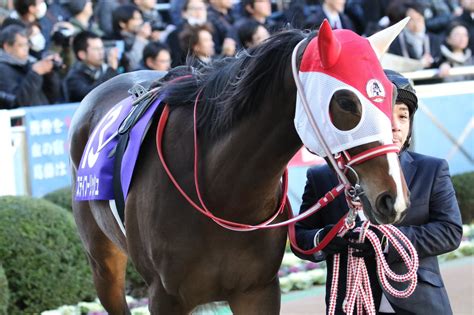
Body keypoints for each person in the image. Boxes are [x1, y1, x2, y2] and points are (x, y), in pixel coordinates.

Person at [292, 70, 463, 314]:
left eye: (403, 117)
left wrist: (387, 242)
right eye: (385, 115)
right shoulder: (321, 177)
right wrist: (328, 239)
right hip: (350, 303)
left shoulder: (432, 169)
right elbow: (300, 239)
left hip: (420, 303)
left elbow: (450, 231)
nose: (395, 126)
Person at [0, 24, 62, 108]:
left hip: (43, 117)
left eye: (27, 44)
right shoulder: (2, 69)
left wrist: (49, 73)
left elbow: (52, 97)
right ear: (7, 46)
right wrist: (36, 73)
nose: (26, 49)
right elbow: (17, 103)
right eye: (21, 45)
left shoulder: (28, 63)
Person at [64, 31, 119, 102]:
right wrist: (111, 70)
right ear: (82, 54)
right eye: (96, 49)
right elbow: (91, 96)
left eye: (101, 48)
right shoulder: (73, 78)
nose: (101, 52)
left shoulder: (104, 69)